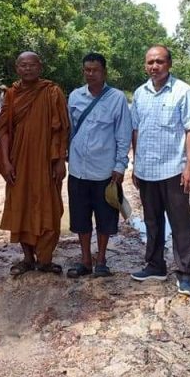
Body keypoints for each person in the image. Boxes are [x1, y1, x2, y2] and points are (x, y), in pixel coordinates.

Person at [130, 45, 190, 297]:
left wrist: (189, 167)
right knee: (152, 221)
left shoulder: (183, 92)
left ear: (169, 64)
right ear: (145, 65)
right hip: (146, 170)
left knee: (180, 223)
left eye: (159, 61)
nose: (154, 66)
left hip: (173, 170)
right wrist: (136, 165)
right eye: (150, 62)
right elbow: (136, 130)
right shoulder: (140, 94)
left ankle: (184, 273)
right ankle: (155, 265)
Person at [0, 51, 70, 275]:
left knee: (50, 207)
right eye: (23, 65)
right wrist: (5, 162)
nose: (27, 69)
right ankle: (28, 258)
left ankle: (45, 259)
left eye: (32, 65)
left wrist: (60, 161)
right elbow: (3, 131)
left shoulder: (52, 92)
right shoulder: (11, 94)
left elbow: (61, 129)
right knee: (21, 206)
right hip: (19, 162)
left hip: (47, 161)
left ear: (40, 67)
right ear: (17, 68)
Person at [66, 52, 132, 278]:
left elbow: (123, 134)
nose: (91, 74)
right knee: (80, 218)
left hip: (105, 171)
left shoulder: (117, 98)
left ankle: (101, 260)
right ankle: (85, 260)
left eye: (95, 70)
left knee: (105, 218)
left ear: (104, 72)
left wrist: (120, 165)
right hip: (78, 170)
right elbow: (69, 129)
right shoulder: (75, 96)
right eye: (87, 70)